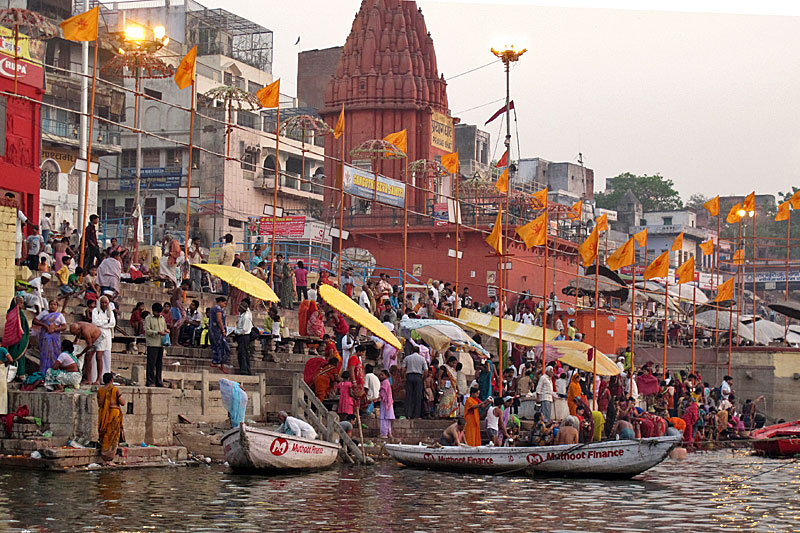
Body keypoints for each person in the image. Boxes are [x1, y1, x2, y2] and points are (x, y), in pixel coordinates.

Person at [32, 300, 67, 375]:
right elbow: (35, 320)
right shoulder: (44, 313)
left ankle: (54, 373)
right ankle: (44, 373)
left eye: (55, 304)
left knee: (55, 354)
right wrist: (45, 325)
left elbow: (64, 326)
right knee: (45, 354)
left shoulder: (60, 315)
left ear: (57, 306)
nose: (52, 306)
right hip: (45, 336)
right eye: (51, 304)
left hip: (55, 337)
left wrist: (55, 329)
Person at [97, 372, 125, 463]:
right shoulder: (115, 389)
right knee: (112, 436)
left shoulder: (100, 390)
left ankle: (104, 455)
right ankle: (109, 458)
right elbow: (123, 403)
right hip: (113, 413)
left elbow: (100, 404)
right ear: (112, 380)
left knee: (105, 434)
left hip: (103, 414)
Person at [91, 295, 116, 384]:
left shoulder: (110, 312)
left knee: (107, 357)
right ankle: (96, 378)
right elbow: (95, 322)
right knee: (97, 357)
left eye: (106, 302)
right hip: (99, 334)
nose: (104, 304)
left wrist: (104, 324)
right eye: (103, 302)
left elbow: (112, 323)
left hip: (108, 336)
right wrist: (106, 322)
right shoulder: (95, 311)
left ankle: (105, 379)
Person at [144, 303, 168, 387]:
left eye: (160, 312)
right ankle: (150, 381)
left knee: (159, 364)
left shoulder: (162, 319)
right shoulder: (148, 319)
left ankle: (158, 381)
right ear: (153, 311)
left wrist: (166, 331)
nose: (159, 314)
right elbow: (147, 331)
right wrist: (157, 332)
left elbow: (164, 327)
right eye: (157, 312)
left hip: (160, 344)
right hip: (152, 344)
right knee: (151, 364)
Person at [403, 346, 428, 419]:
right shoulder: (422, 359)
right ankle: (416, 415)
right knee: (418, 396)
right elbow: (426, 371)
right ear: (419, 351)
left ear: (411, 351)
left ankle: (408, 414)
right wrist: (423, 378)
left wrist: (404, 377)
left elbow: (403, 369)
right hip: (418, 377)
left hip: (409, 376)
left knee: (409, 396)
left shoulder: (407, 358)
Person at [234, 300, 254, 375]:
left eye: (240, 307)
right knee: (242, 353)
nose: (238, 308)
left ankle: (244, 369)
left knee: (243, 353)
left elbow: (244, 329)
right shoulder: (241, 315)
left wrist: (236, 332)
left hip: (244, 336)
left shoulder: (246, 317)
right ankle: (244, 368)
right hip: (241, 335)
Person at [209, 296, 230, 371]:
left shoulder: (213, 308)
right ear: (220, 302)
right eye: (224, 303)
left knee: (218, 346)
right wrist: (223, 330)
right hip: (217, 331)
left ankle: (220, 363)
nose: (225, 304)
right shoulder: (217, 309)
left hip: (213, 330)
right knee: (219, 346)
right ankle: (216, 361)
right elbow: (219, 320)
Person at [378, 369, 394, 438]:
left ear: (386, 376)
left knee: (383, 418)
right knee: (387, 418)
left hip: (385, 402)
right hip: (389, 402)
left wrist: (377, 398)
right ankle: (389, 433)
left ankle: (384, 433)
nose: (380, 376)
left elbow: (383, 393)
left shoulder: (385, 382)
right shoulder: (387, 382)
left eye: (382, 375)